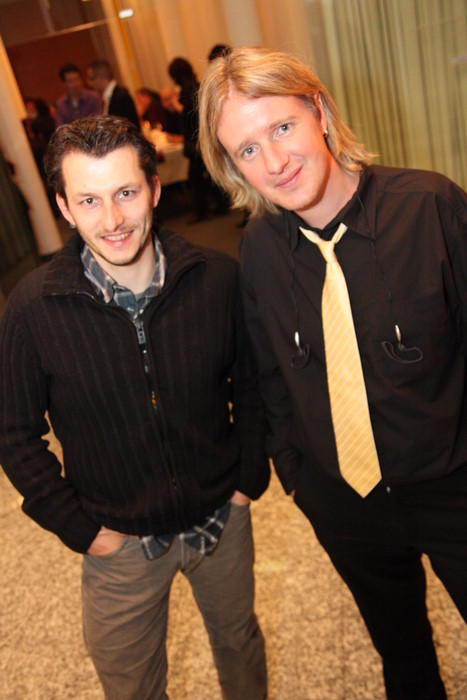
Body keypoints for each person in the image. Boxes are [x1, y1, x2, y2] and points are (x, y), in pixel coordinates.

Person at [198, 46, 467, 699]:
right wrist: (300, 479)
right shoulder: (261, 250)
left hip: (453, 484)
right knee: (402, 658)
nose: (274, 161)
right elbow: (269, 376)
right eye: (247, 150)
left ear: (318, 111)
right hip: (346, 501)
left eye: (281, 127)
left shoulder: (429, 207)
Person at [0, 114, 269, 700]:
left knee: (239, 644)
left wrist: (246, 481)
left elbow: (250, 384)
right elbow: (14, 433)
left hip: (220, 517)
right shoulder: (33, 309)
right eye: (88, 201)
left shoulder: (217, 279)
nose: (112, 220)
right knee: (131, 687)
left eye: (125, 193)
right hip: (116, 538)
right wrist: (81, 528)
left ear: (154, 188)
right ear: (64, 208)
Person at [86, 59, 140, 129]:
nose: (89, 83)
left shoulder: (120, 96)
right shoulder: (110, 97)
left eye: (91, 78)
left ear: (100, 77)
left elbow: (131, 128)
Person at [55, 62, 102, 127]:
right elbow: (60, 128)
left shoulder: (93, 98)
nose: (75, 84)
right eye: (70, 81)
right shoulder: (61, 104)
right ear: (64, 84)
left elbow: (99, 122)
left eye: (77, 79)